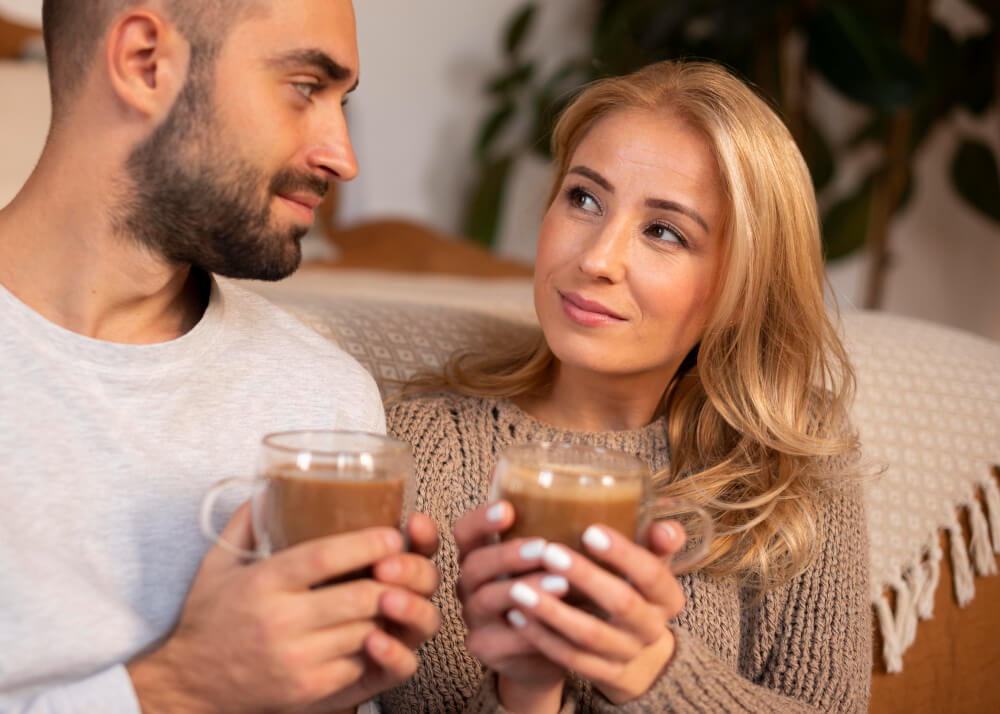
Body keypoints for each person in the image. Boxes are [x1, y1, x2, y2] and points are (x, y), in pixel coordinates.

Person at [384, 59, 871, 713]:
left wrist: (649, 669)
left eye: (663, 231)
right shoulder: (423, 447)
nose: (596, 258)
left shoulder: (792, 472)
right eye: (584, 198)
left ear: (738, 292)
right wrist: (525, 689)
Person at [0, 1, 441, 712]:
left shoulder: (319, 395)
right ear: (145, 62)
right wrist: (183, 688)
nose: (343, 158)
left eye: (343, 102)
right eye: (305, 86)